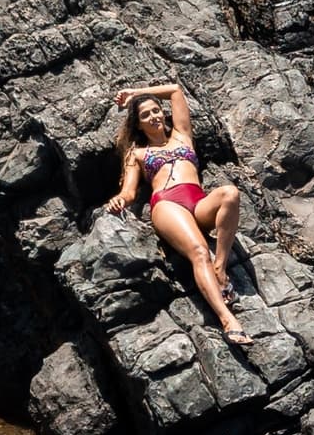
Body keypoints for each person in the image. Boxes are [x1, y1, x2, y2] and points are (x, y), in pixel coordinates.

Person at [105, 82, 247, 344]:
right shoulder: (136, 153)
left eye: (156, 111)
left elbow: (175, 91)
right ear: (138, 125)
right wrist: (119, 200)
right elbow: (129, 192)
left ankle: (221, 266)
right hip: (168, 204)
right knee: (199, 252)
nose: (154, 117)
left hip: (198, 200)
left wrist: (135, 95)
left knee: (230, 193)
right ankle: (227, 319)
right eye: (145, 115)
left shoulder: (182, 135)